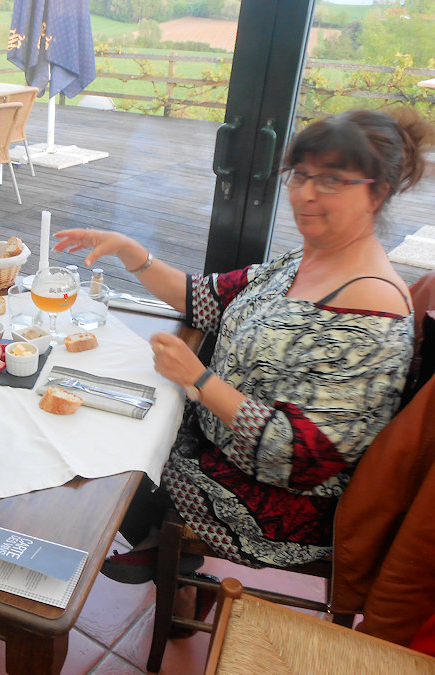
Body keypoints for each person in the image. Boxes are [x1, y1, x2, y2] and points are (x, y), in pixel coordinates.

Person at [54, 107, 433, 585]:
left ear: (377, 193)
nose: (307, 193)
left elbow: (303, 457)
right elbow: (203, 298)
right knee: (107, 418)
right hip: (219, 445)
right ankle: (173, 563)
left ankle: (162, 555)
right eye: (301, 175)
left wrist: (199, 380)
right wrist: (130, 250)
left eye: (333, 180)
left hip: (273, 504)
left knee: (107, 465)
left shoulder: (371, 308)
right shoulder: (307, 259)